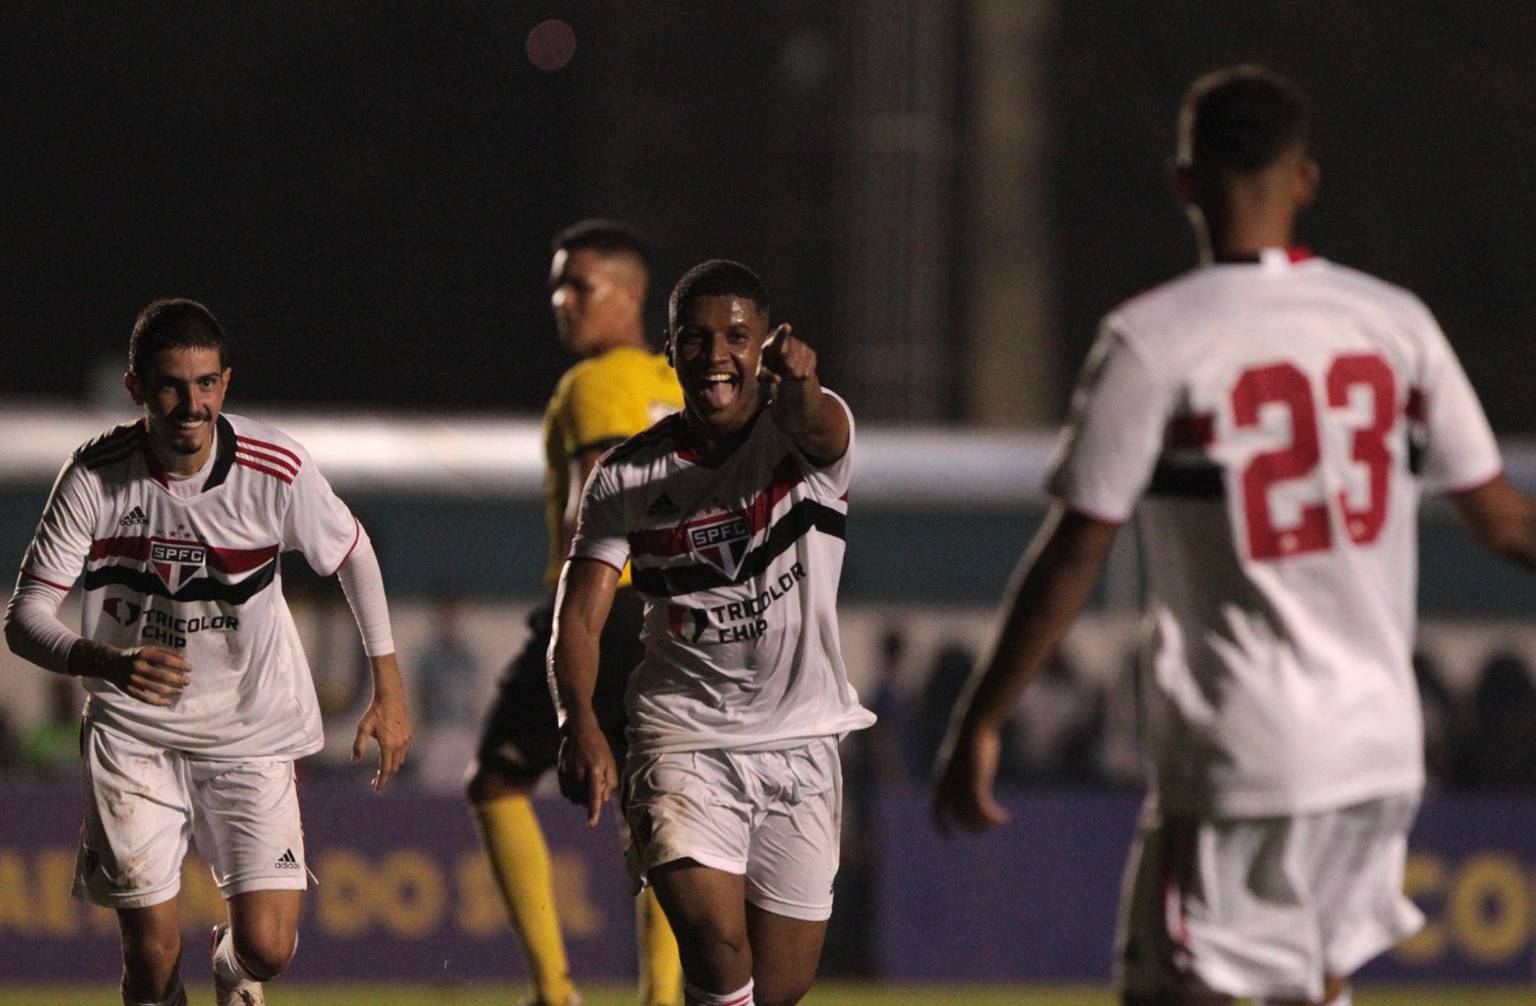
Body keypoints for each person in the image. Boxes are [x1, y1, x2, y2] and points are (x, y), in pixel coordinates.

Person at [932, 65, 1536, 1006]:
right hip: (1378, 751)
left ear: (1185, 182)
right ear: (1306, 180)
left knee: (1171, 988)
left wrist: (981, 720)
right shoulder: (1395, 325)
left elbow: (1074, 555)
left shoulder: (1155, 338)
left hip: (1247, 752)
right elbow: (1504, 521)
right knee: (1314, 987)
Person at [2, 298, 413, 1006]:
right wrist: (106, 662)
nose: (191, 405)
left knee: (268, 948)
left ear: (225, 383)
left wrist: (389, 687)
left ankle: (232, 970)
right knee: (152, 958)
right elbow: (24, 618)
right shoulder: (95, 476)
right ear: (137, 388)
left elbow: (353, 554)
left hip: (250, 726)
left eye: (206, 384)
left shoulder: (274, 467)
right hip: (134, 732)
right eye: (170, 385)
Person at [552, 259, 874, 1006]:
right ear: (670, 353)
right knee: (719, 954)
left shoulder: (805, 443)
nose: (715, 355)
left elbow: (821, 424)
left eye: (736, 336)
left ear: (764, 348)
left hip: (802, 742)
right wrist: (579, 721)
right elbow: (581, 613)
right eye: (695, 339)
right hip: (683, 739)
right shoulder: (627, 478)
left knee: (778, 991)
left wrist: (802, 386)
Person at [465, 220, 685, 1006]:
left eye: (579, 285)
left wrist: (573, 612)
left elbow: (600, 495)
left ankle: (554, 992)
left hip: (608, 604)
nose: (562, 301)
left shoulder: (594, 384)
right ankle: (663, 995)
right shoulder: (676, 384)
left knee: (496, 779)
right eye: (557, 285)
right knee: (655, 813)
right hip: (676, 615)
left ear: (630, 294)